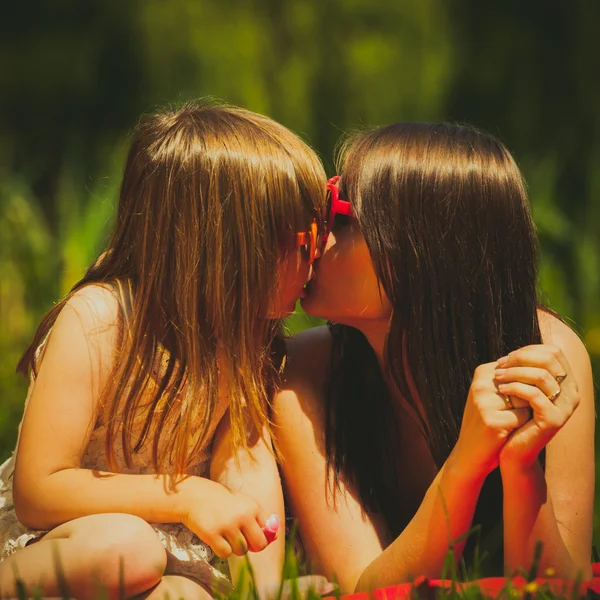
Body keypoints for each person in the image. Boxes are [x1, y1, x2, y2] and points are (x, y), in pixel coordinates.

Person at [0, 101, 326, 599]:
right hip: (67, 538)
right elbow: (39, 490)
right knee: (125, 547)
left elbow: (247, 476)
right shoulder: (100, 320)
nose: (317, 255)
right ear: (231, 248)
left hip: (161, 558)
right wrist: (189, 495)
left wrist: (259, 590)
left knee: (187, 596)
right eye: (304, 239)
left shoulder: (242, 343)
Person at [273, 122, 595, 593]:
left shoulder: (548, 354)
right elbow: (364, 586)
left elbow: (557, 589)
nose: (311, 237)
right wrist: (465, 464)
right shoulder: (302, 374)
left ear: (419, 250)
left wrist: (523, 467)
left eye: (337, 217)